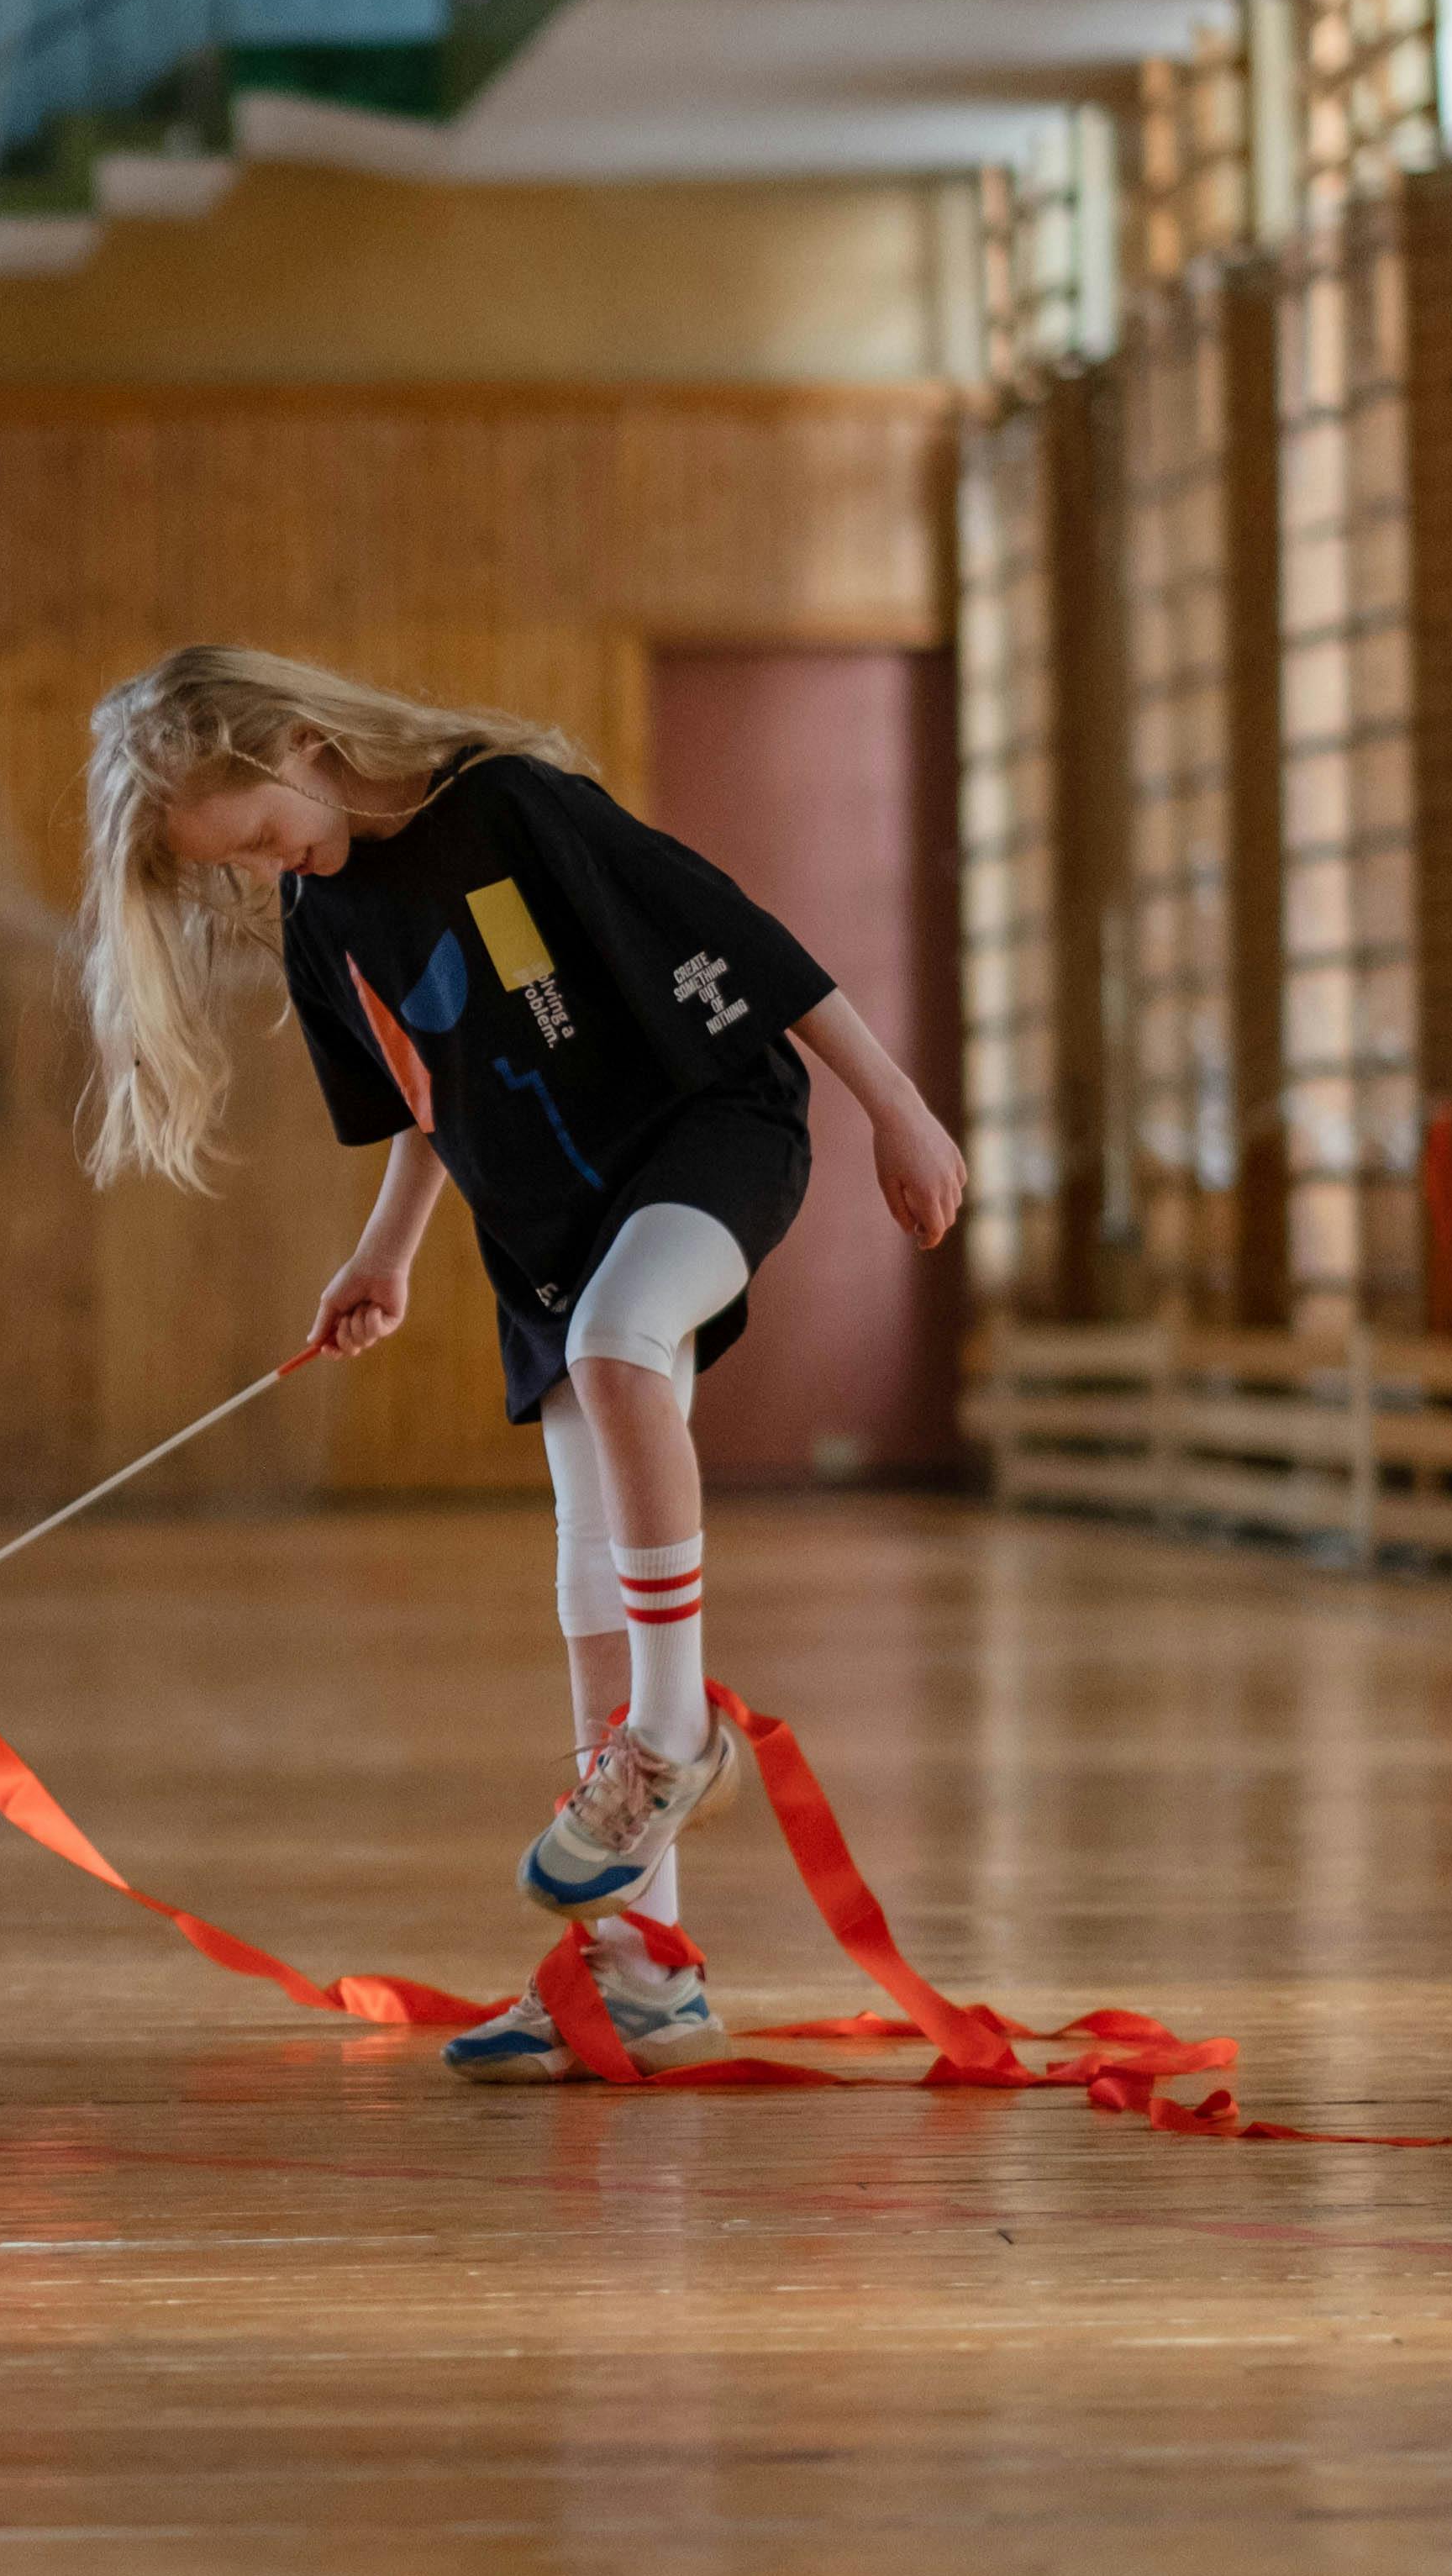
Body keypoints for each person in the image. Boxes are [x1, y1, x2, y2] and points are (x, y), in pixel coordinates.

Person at [74, 646, 969, 2083]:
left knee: (622, 1343)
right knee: (583, 1575)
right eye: (231, 863)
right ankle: (641, 1980)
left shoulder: (508, 807)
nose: (263, 868)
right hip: (547, 1226)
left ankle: (675, 1731)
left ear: (301, 741)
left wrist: (900, 1110)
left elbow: (743, 938)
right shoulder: (319, 916)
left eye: (258, 833)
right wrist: (386, 1253)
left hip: (708, 1131)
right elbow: (430, 1098)